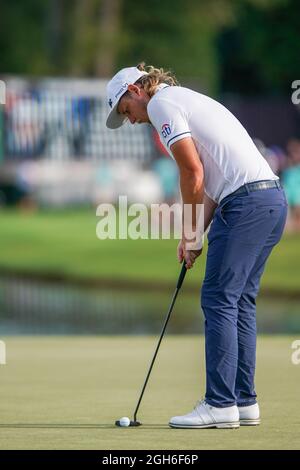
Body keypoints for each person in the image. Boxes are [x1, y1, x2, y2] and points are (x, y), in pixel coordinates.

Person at [106, 63, 288, 429]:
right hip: (270, 201)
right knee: (239, 301)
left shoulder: (160, 106)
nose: (132, 120)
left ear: (136, 91)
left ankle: (220, 404)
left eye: (126, 111)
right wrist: (196, 234)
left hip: (245, 205)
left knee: (219, 299)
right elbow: (211, 181)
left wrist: (189, 230)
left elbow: (192, 173)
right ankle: (243, 401)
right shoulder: (185, 99)